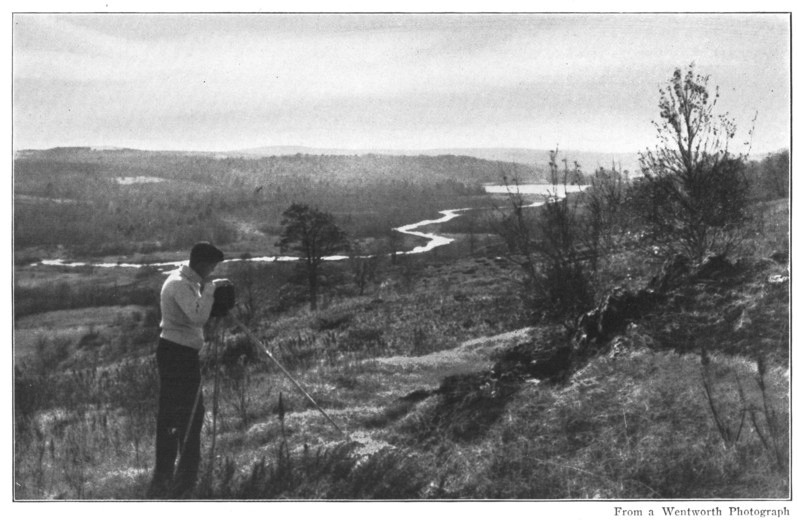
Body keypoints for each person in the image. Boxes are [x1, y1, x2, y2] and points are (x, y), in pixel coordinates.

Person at [147, 241, 230, 499]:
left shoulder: (188, 280)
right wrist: (212, 290)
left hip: (181, 354)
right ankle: (177, 479)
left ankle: (177, 476)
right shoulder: (179, 284)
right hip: (176, 355)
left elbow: (195, 314)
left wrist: (212, 297)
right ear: (202, 264)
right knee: (184, 415)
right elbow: (197, 317)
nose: (212, 271)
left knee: (182, 415)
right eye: (211, 267)